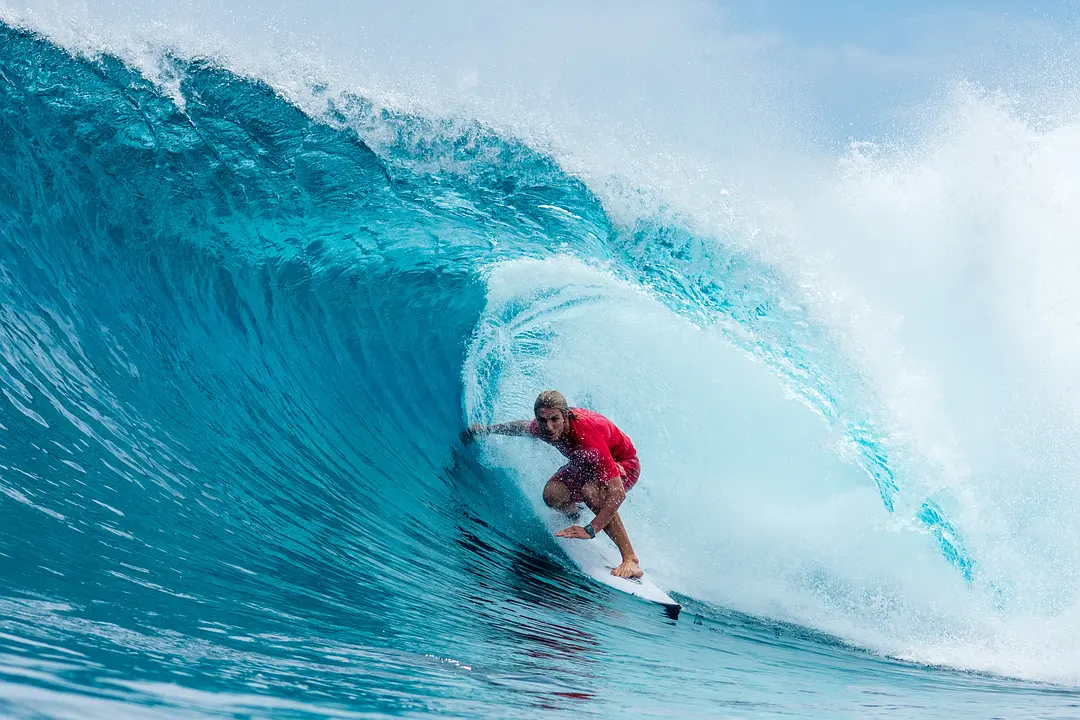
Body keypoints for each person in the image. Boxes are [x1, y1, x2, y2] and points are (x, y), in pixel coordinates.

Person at [462, 390, 643, 579]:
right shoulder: (544, 427)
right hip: (586, 464)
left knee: (590, 491)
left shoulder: (586, 436)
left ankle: (630, 559)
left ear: (565, 416)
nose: (548, 427)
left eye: (554, 419)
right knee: (552, 495)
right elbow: (521, 427)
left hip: (624, 464)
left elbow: (618, 493)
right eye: (542, 420)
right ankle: (574, 515)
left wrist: (591, 529)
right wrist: (487, 430)